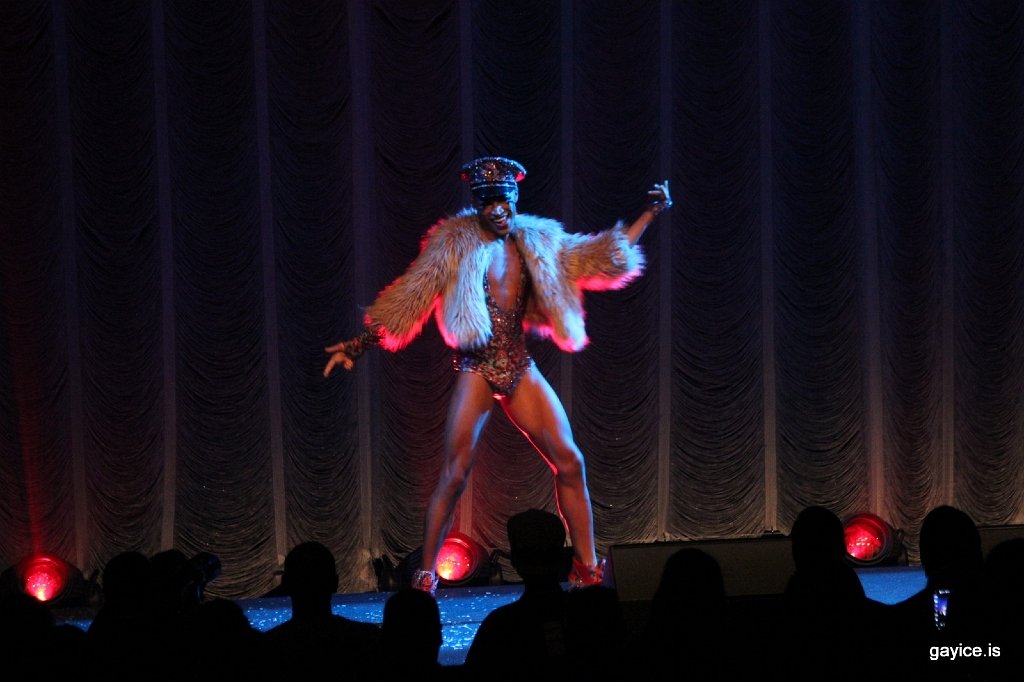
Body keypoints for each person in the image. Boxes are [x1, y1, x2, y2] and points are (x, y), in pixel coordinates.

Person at [324, 157, 671, 595]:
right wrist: (357, 345)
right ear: (478, 204)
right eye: (489, 202)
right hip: (476, 367)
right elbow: (412, 294)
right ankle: (425, 576)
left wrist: (648, 215)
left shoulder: (538, 241)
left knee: (571, 461)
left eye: (504, 200)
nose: (498, 209)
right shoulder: (454, 243)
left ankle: (587, 568)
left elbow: (599, 257)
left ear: (515, 198)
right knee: (455, 473)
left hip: (518, 364)